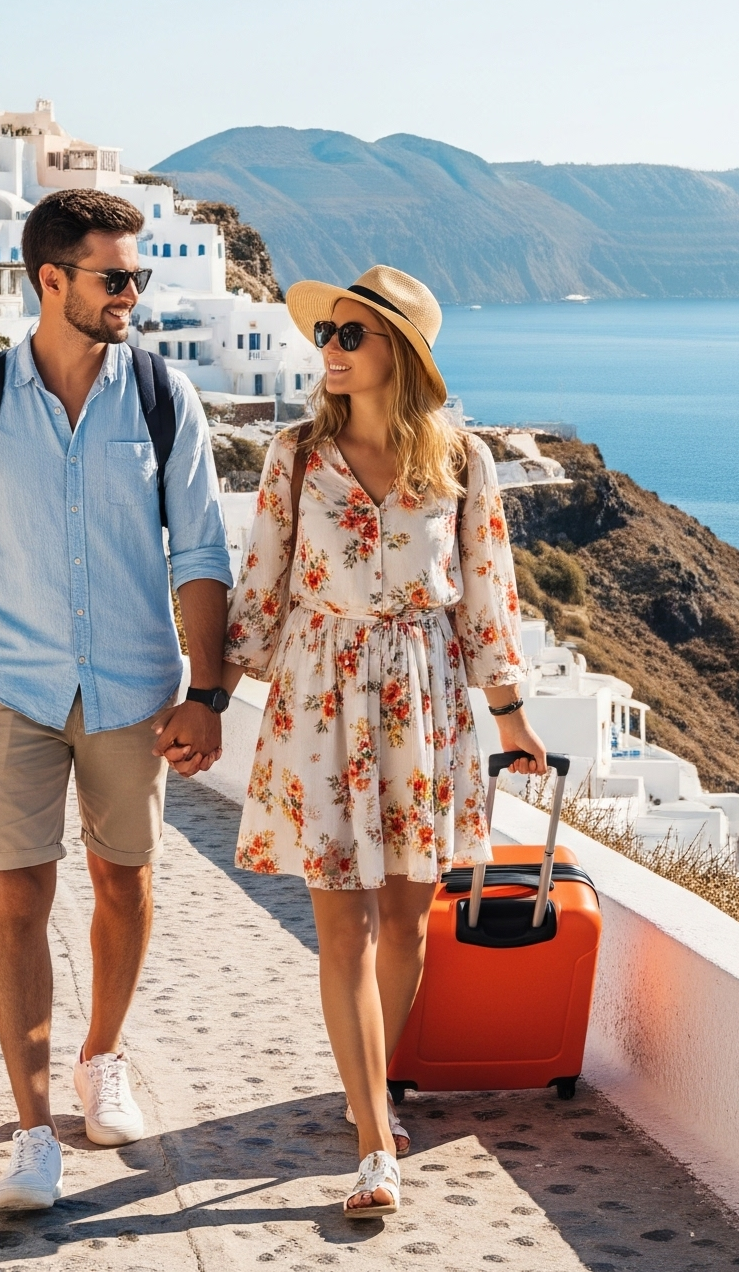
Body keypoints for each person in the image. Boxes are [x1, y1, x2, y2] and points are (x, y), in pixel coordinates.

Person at [0, 189, 234, 1212]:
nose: (132, 295)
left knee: (124, 882)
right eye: (115, 277)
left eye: (137, 277)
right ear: (50, 279)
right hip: (12, 686)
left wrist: (208, 690)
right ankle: (30, 1130)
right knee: (17, 896)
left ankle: (100, 1056)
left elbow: (200, 549)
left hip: (131, 691)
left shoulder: (161, 398)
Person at [219, 265, 547, 1219]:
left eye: (350, 336)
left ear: (397, 354)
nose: (329, 349)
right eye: (327, 333)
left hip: (424, 703)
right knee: (344, 931)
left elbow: (488, 590)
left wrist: (512, 713)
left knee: (406, 923)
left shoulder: (463, 463)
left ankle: (367, 1088)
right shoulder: (292, 455)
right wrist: (211, 698)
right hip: (321, 699)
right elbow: (261, 589)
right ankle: (375, 1143)